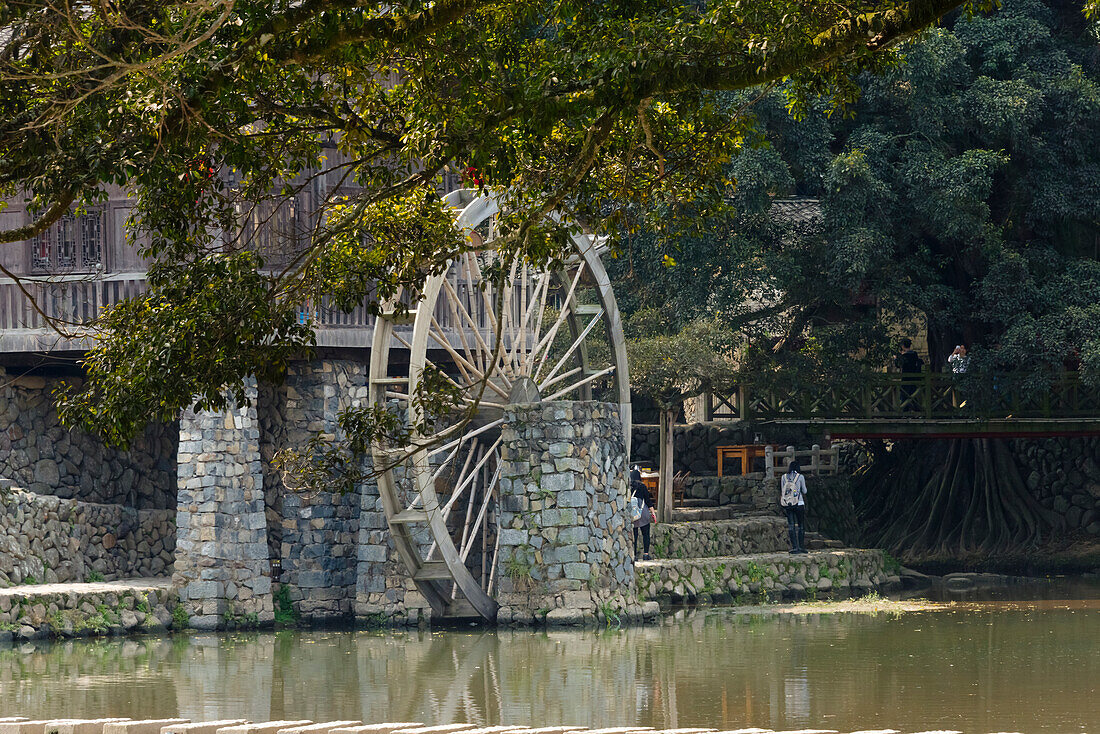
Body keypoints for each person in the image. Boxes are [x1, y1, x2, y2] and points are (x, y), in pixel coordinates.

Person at [779, 460, 808, 554]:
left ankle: (794, 547)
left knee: (791, 526)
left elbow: (783, 490)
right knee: (801, 526)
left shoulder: (783, 477)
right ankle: (801, 547)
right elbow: (804, 491)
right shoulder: (800, 477)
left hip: (788, 504)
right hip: (799, 503)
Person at [629, 465, 654, 560]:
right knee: (646, 534)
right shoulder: (643, 486)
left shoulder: (629, 487)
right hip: (643, 513)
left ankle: (634, 555)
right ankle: (646, 554)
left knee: (634, 535)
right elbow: (648, 501)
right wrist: (653, 513)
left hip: (633, 513)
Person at [894, 338, 924, 411]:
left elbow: (898, 365)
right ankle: (917, 410)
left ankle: (905, 411)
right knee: (913, 394)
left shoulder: (903, 356)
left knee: (904, 395)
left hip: (906, 377)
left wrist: (895, 359)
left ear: (903, 346)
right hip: (914, 376)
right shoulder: (914, 354)